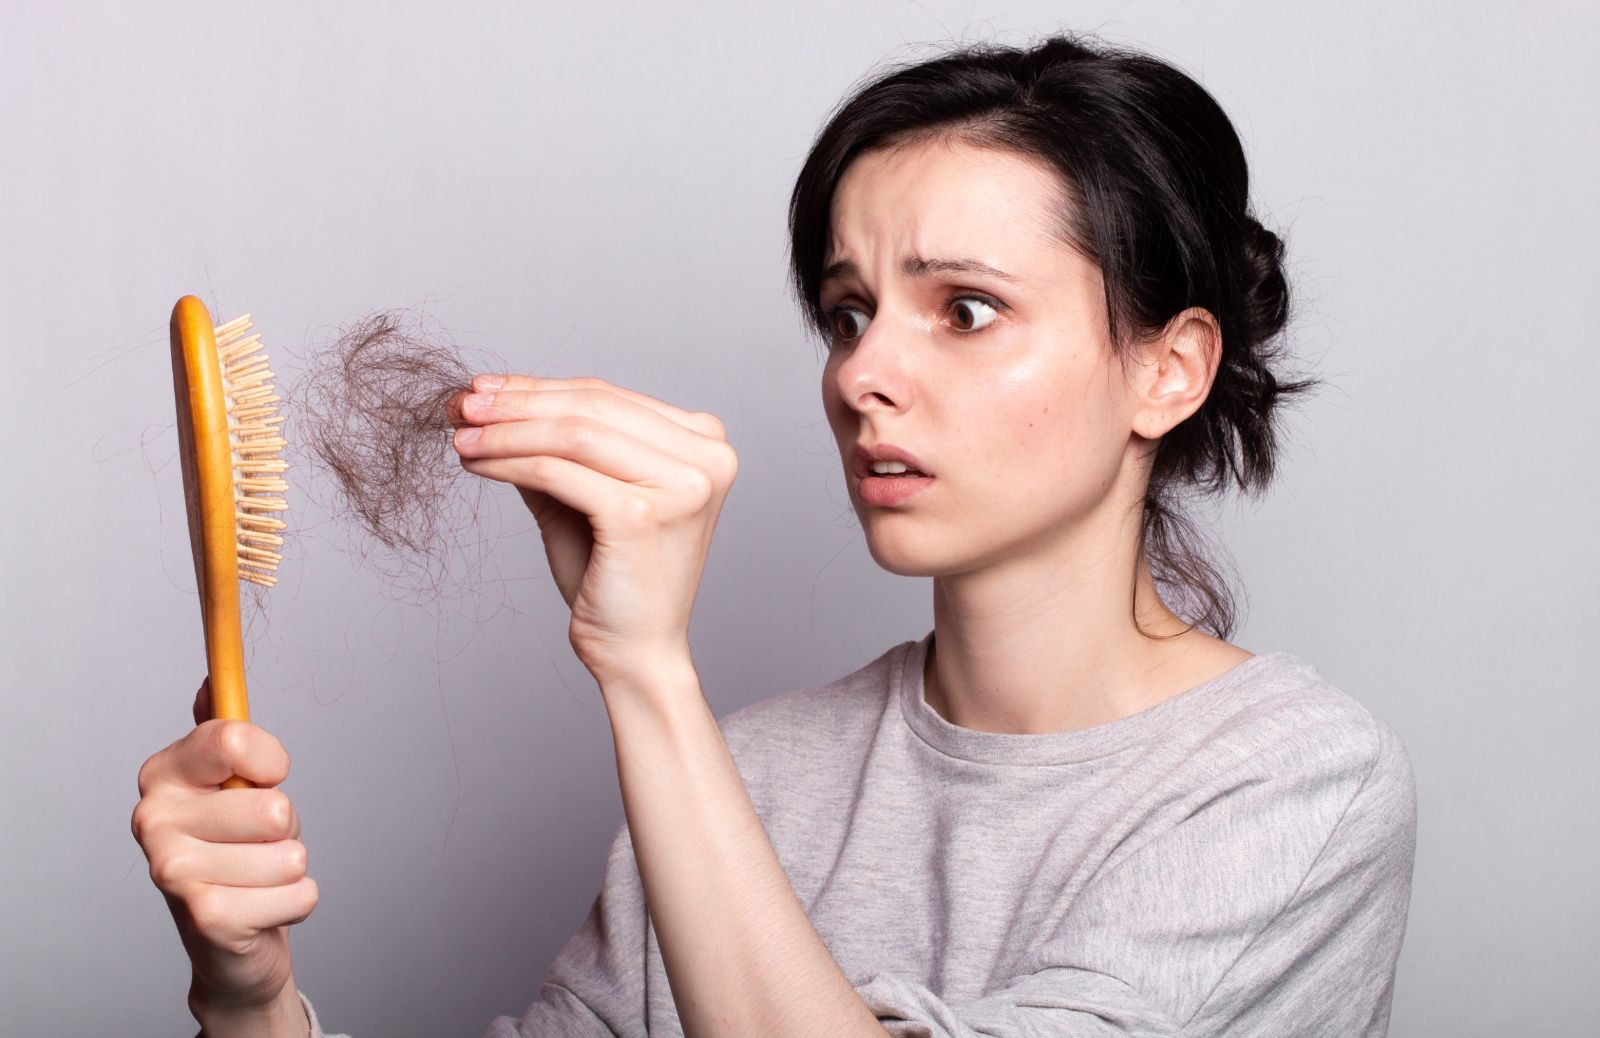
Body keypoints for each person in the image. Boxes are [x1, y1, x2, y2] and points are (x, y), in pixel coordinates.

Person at [131, 33, 1417, 1038]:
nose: (862, 375)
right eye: (849, 311)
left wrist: (646, 674)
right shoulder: (744, 775)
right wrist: (247, 996)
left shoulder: (1294, 792)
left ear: (1168, 371)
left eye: (964, 309)